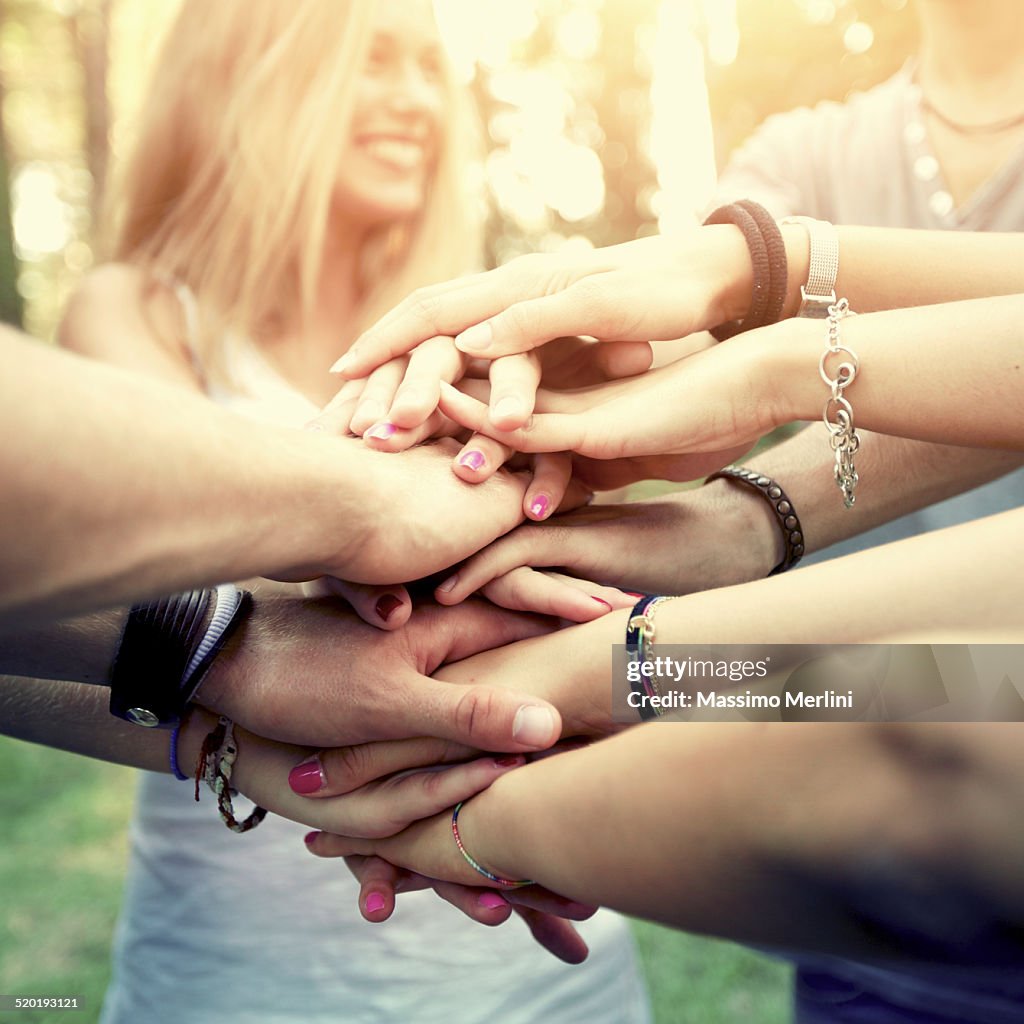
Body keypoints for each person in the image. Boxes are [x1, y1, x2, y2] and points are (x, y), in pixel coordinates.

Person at [58, 2, 649, 1021]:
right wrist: (450, 535)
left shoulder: (478, 322)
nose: (417, 101)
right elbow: (174, 562)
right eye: (373, 62)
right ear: (247, 81)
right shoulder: (135, 314)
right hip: (247, 972)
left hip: (548, 972)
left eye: (429, 68)